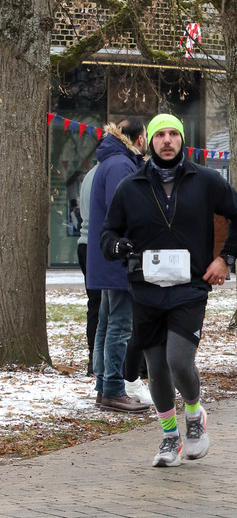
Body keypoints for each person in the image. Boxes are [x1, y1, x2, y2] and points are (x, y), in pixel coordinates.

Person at [101, 113, 237, 467]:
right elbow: (108, 234)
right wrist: (118, 247)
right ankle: (170, 437)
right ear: (149, 141)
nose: (167, 140)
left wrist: (225, 258)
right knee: (156, 368)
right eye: (160, 135)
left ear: (182, 139)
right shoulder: (131, 185)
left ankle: (195, 417)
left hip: (189, 287)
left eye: (173, 134)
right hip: (146, 289)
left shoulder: (205, 180)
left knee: (178, 359)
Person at [87, 117, 150, 414]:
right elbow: (123, 210)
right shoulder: (121, 165)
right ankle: (112, 388)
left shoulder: (110, 161)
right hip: (118, 259)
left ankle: (103, 386)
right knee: (119, 326)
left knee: (106, 323)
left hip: (107, 257)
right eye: (148, 136)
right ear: (139, 139)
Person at [76, 163, 100, 375]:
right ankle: (98, 359)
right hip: (99, 245)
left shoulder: (91, 173)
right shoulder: (112, 171)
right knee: (108, 305)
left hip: (85, 243)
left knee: (95, 304)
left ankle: (94, 358)